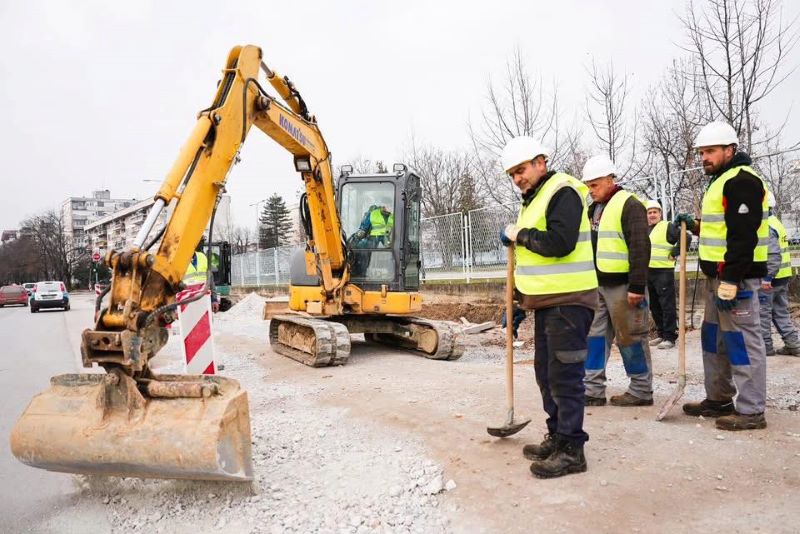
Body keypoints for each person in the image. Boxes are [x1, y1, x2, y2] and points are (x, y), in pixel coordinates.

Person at [500, 136, 598, 479]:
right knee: (546, 373)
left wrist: (519, 234)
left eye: (521, 170)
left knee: (564, 376)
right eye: (512, 174)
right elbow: (531, 265)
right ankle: (558, 435)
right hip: (548, 304)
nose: (517, 179)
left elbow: (559, 243)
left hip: (570, 303)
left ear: (541, 162)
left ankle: (573, 449)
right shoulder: (534, 199)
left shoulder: (563, 192)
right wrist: (518, 303)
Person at [675, 121, 768, 431]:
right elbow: (722, 229)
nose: (705, 157)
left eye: (711, 151)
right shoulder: (720, 181)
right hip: (717, 278)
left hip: (735, 279)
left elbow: (743, 236)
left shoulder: (742, 181)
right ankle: (719, 398)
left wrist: (731, 279)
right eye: (702, 152)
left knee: (741, 340)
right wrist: (696, 226)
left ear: (731, 150)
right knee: (714, 339)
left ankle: (751, 409)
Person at [582, 155, 653, 407]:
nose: (591, 191)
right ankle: (592, 389)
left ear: (611, 179)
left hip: (624, 288)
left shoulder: (630, 205)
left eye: (595, 185)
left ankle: (641, 389)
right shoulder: (594, 209)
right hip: (599, 285)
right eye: (588, 186)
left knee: (630, 336)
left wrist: (636, 285)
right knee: (595, 336)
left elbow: (640, 246)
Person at [759, 191, 800, 356]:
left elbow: (773, 254)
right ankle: (794, 345)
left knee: (763, 314)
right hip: (781, 277)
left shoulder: (766, 225)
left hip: (770, 278)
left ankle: (765, 348)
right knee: (780, 312)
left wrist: (767, 277)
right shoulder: (776, 222)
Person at [646, 200, 681, 350]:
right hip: (649, 271)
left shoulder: (667, 226)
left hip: (663, 272)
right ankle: (661, 334)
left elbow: (686, 237)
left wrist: (675, 252)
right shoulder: (646, 229)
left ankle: (669, 337)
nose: (652, 215)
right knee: (654, 305)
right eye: (649, 212)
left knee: (667, 305)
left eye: (655, 212)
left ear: (660, 213)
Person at [184, 239, 220, 313]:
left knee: (206, 323)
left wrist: (214, 299)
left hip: (204, 299)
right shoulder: (180, 260)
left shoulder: (202, 257)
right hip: (187, 303)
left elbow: (211, 280)